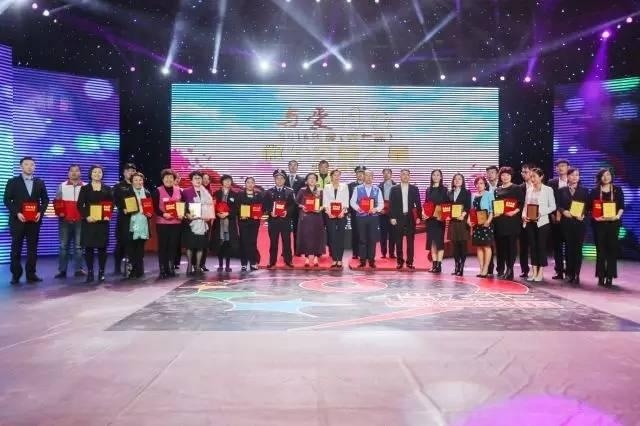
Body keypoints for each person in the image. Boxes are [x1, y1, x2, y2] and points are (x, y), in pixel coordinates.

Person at [3, 156, 49, 285]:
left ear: (35, 167)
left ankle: (31, 274)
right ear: (21, 167)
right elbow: (7, 200)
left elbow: (45, 200)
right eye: (26, 164)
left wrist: (40, 212)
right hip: (18, 221)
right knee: (16, 249)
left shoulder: (40, 182)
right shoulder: (13, 181)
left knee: (32, 249)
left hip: (34, 221)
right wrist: (17, 213)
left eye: (32, 164)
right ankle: (16, 275)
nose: (29, 167)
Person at [77, 165, 113, 283]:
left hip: (102, 223)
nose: (97, 174)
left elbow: (111, 204)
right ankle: (90, 272)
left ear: (102, 174)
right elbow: (79, 205)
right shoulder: (85, 188)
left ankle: (101, 273)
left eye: (99, 172)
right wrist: (86, 216)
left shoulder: (107, 189)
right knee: (89, 248)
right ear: (90, 174)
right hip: (89, 222)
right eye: (95, 172)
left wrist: (108, 214)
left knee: (102, 248)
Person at [590, 168, 625, 287]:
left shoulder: (617, 190)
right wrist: (595, 217)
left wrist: (617, 216)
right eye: (603, 175)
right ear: (600, 177)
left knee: (612, 250)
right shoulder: (595, 191)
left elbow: (621, 206)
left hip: (613, 224)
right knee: (600, 250)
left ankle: (610, 276)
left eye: (608, 175)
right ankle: (600, 276)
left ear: (611, 176)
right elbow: (589, 208)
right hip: (599, 224)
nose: (606, 177)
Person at [522, 168, 556, 282]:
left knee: (541, 247)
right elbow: (525, 205)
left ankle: (540, 272)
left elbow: (553, 206)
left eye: (534, 176)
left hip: (542, 223)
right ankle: (534, 271)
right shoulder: (529, 190)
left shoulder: (548, 189)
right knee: (532, 247)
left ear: (541, 177)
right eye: (531, 176)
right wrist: (523, 215)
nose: (532, 179)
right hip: (530, 222)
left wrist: (541, 213)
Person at [557, 168, 589, 286]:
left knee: (578, 249)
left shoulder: (584, 191)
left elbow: (588, 206)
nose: (574, 177)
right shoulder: (562, 190)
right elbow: (558, 204)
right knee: (569, 248)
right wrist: (563, 211)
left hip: (580, 223)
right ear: (568, 177)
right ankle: (569, 273)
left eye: (577, 175)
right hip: (567, 222)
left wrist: (583, 214)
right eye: (572, 175)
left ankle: (576, 274)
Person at [492, 167, 524, 280]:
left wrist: (514, 212)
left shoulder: (516, 188)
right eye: (503, 175)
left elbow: (521, 204)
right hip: (499, 221)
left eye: (507, 175)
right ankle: (502, 269)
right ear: (500, 176)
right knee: (501, 247)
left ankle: (510, 270)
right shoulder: (497, 190)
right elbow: (495, 204)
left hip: (512, 221)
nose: (505, 177)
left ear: (511, 176)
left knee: (511, 247)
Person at [54, 164, 85, 279]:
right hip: (65, 221)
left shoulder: (85, 186)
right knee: (63, 246)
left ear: (80, 173)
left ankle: (78, 269)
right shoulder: (62, 186)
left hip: (80, 221)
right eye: (72, 171)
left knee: (78, 247)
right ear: (68, 173)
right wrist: (59, 212)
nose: (74, 173)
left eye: (77, 171)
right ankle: (62, 270)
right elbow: (57, 202)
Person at [152, 168, 184, 279]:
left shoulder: (179, 190)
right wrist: (163, 214)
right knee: (163, 246)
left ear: (174, 179)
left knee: (173, 246)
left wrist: (181, 213)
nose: (169, 179)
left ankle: (171, 268)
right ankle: (162, 268)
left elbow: (182, 204)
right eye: (166, 177)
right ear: (162, 179)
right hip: (162, 223)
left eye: (171, 177)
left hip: (176, 223)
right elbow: (155, 207)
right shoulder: (158, 191)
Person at [183, 171, 216, 275]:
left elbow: (210, 206)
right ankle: (189, 265)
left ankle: (197, 266)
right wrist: (186, 215)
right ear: (191, 180)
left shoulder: (206, 192)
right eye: (195, 178)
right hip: (191, 222)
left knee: (200, 245)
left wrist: (209, 216)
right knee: (190, 245)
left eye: (199, 178)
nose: (198, 180)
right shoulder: (186, 191)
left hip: (203, 222)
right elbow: (181, 205)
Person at [350, 169, 384, 268]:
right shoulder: (357, 188)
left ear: (373, 177)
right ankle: (363, 260)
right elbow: (352, 202)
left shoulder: (377, 189)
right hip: (361, 217)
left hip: (373, 218)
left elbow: (381, 203)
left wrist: (376, 209)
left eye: (370, 176)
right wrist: (358, 208)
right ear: (363, 177)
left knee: (372, 239)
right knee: (362, 239)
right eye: (366, 175)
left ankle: (371, 260)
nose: (368, 178)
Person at [389, 169, 421, 269]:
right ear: (400, 176)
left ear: (409, 176)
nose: (405, 176)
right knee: (398, 241)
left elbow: (418, 204)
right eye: (403, 174)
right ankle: (400, 261)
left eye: (407, 174)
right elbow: (391, 205)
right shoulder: (394, 189)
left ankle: (410, 262)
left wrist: (419, 217)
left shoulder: (414, 189)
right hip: (398, 218)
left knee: (410, 241)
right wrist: (392, 217)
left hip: (410, 218)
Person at [122, 172, 152, 279]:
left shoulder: (147, 193)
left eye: (140, 180)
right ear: (131, 182)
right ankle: (131, 271)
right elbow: (122, 206)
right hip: (131, 223)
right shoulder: (127, 192)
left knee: (140, 248)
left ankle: (139, 270)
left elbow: (149, 209)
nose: (138, 182)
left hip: (143, 223)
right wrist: (124, 210)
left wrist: (150, 214)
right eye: (136, 180)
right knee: (131, 248)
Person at [265, 170, 296, 268]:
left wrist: (287, 211)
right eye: (277, 178)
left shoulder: (290, 191)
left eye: (281, 178)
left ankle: (288, 261)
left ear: (284, 180)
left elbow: (293, 205)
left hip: (285, 221)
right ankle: (272, 261)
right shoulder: (269, 192)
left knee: (286, 242)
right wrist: (270, 212)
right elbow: (266, 205)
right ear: (274, 179)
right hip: (273, 221)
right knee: (273, 242)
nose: (279, 180)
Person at [296, 173, 326, 266]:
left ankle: (316, 257)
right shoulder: (302, 190)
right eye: (310, 178)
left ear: (316, 180)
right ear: (306, 181)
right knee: (306, 236)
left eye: (314, 178)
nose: (312, 180)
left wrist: (321, 208)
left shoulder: (320, 191)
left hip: (317, 216)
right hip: (305, 217)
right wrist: (302, 206)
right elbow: (296, 202)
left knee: (317, 236)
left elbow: (324, 203)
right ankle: (307, 258)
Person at [112, 162, 136, 276]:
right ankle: (117, 267)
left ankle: (132, 267)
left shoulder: (137, 184)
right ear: (124, 172)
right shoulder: (118, 186)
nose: (130, 173)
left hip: (135, 218)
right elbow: (115, 200)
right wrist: (122, 208)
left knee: (133, 244)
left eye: (133, 171)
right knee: (120, 243)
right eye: (128, 171)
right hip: (123, 218)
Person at [323, 169, 350, 268]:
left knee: (340, 236)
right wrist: (329, 212)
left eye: (339, 175)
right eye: (335, 175)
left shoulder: (344, 186)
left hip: (342, 214)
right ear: (331, 176)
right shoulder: (327, 187)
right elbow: (325, 201)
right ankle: (334, 259)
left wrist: (342, 212)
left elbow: (346, 200)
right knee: (332, 237)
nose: (337, 177)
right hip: (330, 215)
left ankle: (340, 259)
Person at [548, 159, 570, 280]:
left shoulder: (573, 180)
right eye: (559, 166)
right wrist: (553, 213)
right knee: (557, 246)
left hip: (569, 217)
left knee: (569, 245)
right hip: (555, 217)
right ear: (556, 169)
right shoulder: (552, 182)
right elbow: (549, 199)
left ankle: (570, 271)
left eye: (563, 166)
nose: (561, 168)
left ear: (568, 167)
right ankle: (559, 271)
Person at [211, 174, 238, 272]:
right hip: (219, 223)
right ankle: (220, 265)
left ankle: (227, 265)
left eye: (229, 180)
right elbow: (212, 206)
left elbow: (237, 209)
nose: (227, 182)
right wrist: (217, 213)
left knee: (228, 244)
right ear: (222, 182)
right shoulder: (216, 194)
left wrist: (228, 213)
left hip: (229, 222)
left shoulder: (235, 194)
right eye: (226, 180)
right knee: (220, 243)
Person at [469, 176, 495, 278]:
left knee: (486, 246)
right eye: (477, 183)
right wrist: (470, 221)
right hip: (476, 224)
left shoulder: (489, 194)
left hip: (486, 223)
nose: (479, 185)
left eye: (481, 183)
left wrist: (488, 221)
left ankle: (486, 269)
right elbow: (472, 210)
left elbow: (492, 210)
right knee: (479, 246)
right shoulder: (473, 195)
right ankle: (481, 269)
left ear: (485, 185)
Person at [424, 169, 449, 273]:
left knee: (439, 242)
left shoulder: (445, 190)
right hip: (430, 220)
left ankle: (439, 265)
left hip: (439, 220)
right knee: (432, 242)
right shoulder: (428, 190)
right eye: (434, 175)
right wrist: (424, 213)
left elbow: (447, 204)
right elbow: (426, 203)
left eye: (438, 175)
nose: (436, 177)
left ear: (441, 177)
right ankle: (434, 264)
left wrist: (445, 216)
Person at [237, 177, 263, 271]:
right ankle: (243, 263)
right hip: (243, 222)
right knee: (243, 242)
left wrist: (260, 214)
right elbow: (237, 206)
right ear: (245, 184)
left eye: (252, 182)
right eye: (248, 182)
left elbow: (261, 207)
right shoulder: (240, 194)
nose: (250, 184)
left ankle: (253, 262)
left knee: (252, 242)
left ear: (254, 184)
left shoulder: (258, 194)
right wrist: (241, 214)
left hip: (254, 222)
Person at [447, 173, 471, 276]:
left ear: (462, 181)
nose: (457, 180)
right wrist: (447, 215)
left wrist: (463, 214)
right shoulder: (449, 192)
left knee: (463, 245)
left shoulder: (467, 192)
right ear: (453, 181)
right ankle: (456, 265)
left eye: (459, 179)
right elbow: (447, 206)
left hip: (462, 221)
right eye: (455, 179)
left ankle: (461, 267)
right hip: (453, 222)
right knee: (455, 245)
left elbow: (468, 206)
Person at [518, 163, 535, 278]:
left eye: (526, 172)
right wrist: (523, 215)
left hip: (536, 220)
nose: (524, 174)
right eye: (522, 172)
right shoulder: (519, 187)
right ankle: (524, 269)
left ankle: (536, 269)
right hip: (523, 220)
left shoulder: (539, 185)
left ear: (532, 172)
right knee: (523, 246)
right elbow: (519, 204)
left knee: (535, 246)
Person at [286, 160, 304, 256]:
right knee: (285, 231)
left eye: (295, 165)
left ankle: (297, 250)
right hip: (286, 209)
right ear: (288, 167)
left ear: (297, 167)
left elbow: (303, 195)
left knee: (297, 230)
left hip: (297, 209)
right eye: (291, 165)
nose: (293, 167)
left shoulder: (302, 180)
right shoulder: (283, 179)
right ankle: (286, 251)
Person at [348, 166, 366, 259]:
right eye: (358, 173)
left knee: (365, 233)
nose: (360, 175)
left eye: (362, 173)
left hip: (366, 213)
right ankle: (355, 253)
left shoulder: (368, 185)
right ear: (356, 174)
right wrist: (348, 211)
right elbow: (348, 198)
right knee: (355, 232)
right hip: (355, 213)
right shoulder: (351, 185)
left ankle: (364, 253)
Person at [378, 168, 396, 259]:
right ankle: (383, 253)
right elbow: (376, 199)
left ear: (391, 174)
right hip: (382, 213)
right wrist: (379, 209)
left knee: (393, 234)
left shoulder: (396, 186)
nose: (386, 175)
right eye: (384, 173)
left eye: (388, 173)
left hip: (393, 214)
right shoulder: (379, 186)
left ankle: (392, 253)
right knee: (383, 234)